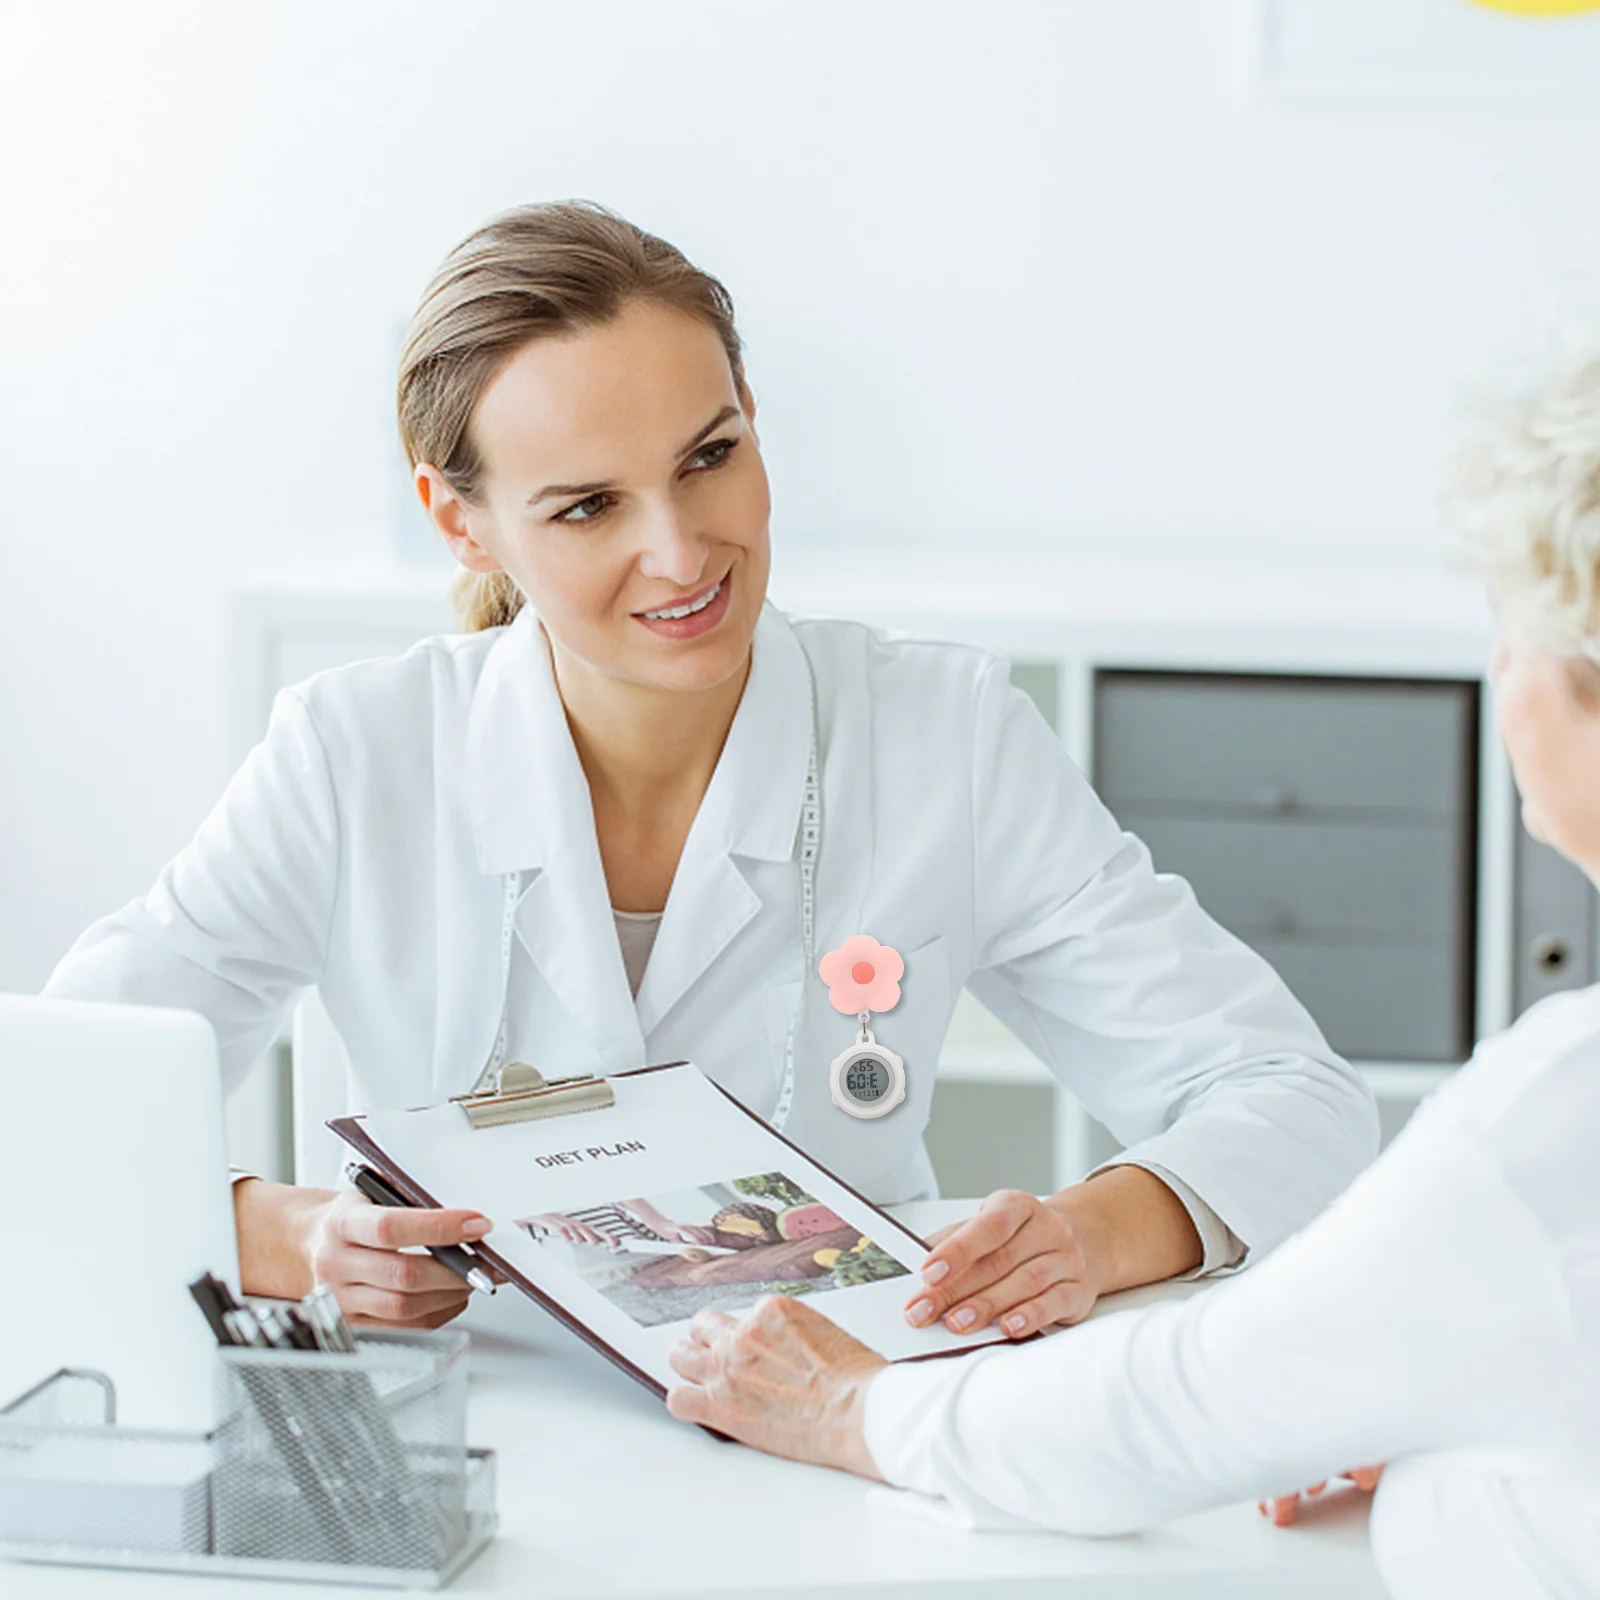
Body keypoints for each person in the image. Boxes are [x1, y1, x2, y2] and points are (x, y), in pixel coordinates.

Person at [44, 201, 1375, 1333]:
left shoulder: (943, 738)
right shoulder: (354, 757)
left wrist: (1089, 1235)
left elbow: (1292, 1102)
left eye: (710, 458)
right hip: (480, 1429)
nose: (682, 554)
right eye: (586, 507)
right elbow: (51, 1101)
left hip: (834, 1411)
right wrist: (289, 1238)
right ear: (462, 521)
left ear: (753, 422)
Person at [664, 344, 1600, 1599]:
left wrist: (852, 1405)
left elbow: (1176, 1411)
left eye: (1507, 630)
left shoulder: (1553, 1110)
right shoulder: (363, 743)